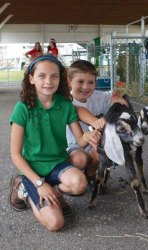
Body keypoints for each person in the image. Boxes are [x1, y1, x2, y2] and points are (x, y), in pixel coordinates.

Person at [8, 55, 101, 232]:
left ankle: (54, 192)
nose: (49, 81)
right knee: (55, 224)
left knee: (80, 184)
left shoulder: (65, 105)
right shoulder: (22, 108)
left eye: (54, 76)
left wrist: (90, 135)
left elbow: (80, 142)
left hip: (57, 164)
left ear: (61, 79)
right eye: (42, 76)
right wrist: (39, 184)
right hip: (32, 170)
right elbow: (15, 154)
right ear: (31, 79)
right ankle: (23, 189)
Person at [66, 60, 126, 179]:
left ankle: (90, 176)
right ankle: (70, 176)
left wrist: (115, 96)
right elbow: (78, 111)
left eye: (91, 82)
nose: (86, 87)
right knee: (79, 160)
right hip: (73, 144)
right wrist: (95, 121)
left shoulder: (98, 96)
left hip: (94, 142)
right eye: (80, 81)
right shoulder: (66, 101)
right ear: (69, 81)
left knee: (100, 154)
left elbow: (118, 89)